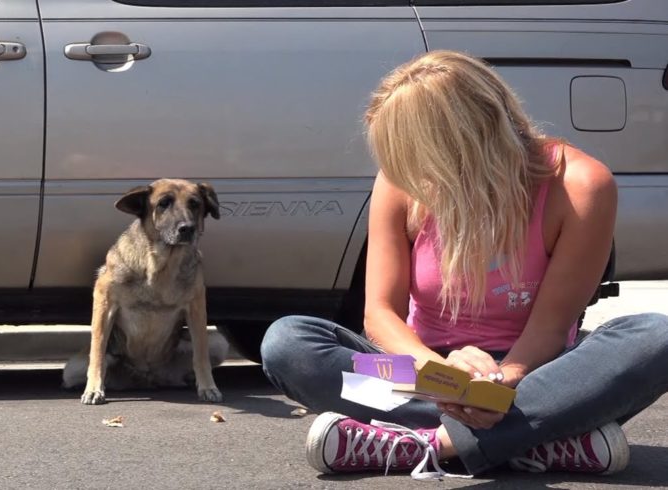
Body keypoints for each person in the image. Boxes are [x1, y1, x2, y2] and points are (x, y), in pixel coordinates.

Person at [260, 50, 668, 479]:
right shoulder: (400, 181)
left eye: (416, 158)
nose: (408, 174)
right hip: (416, 378)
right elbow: (379, 315)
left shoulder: (581, 186)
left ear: (467, 142)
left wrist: (503, 377)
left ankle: (426, 445)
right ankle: (536, 440)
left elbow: (551, 328)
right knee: (289, 343)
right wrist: (438, 373)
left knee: (655, 337)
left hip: (536, 377)